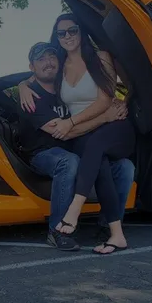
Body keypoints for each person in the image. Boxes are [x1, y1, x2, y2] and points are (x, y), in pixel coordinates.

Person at [0, 41, 134, 252]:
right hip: (42, 154)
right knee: (69, 161)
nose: (48, 62)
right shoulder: (31, 98)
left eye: (51, 57)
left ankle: (107, 226)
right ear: (32, 67)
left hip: (73, 146)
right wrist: (105, 118)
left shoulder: (66, 88)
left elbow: (93, 102)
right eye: (41, 59)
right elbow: (65, 132)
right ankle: (57, 231)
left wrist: (118, 104)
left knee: (125, 167)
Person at [17, 14, 137, 254]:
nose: (68, 36)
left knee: (98, 148)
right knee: (117, 166)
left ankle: (75, 211)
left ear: (81, 31)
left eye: (72, 30)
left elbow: (106, 100)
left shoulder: (101, 57)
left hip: (109, 125)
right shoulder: (59, 64)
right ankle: (113, 232)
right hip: (82, 133)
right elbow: (37, 73)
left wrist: (72, 121)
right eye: (62, 33)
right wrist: (22, 86)